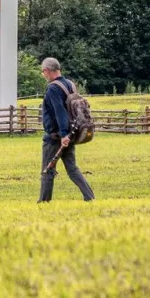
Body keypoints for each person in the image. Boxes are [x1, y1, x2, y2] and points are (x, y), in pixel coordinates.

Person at [39, 57, 96, 203]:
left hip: (56, 136)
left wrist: (63, 134)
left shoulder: (53, 88)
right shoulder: (70, 84)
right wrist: (67, 134)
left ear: (47, 70)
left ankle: (44, 202)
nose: (43, 75)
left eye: (43, 72)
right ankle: (89, 197)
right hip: (71, 133)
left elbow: (60, 112)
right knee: (72, 168)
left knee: (48, 169)